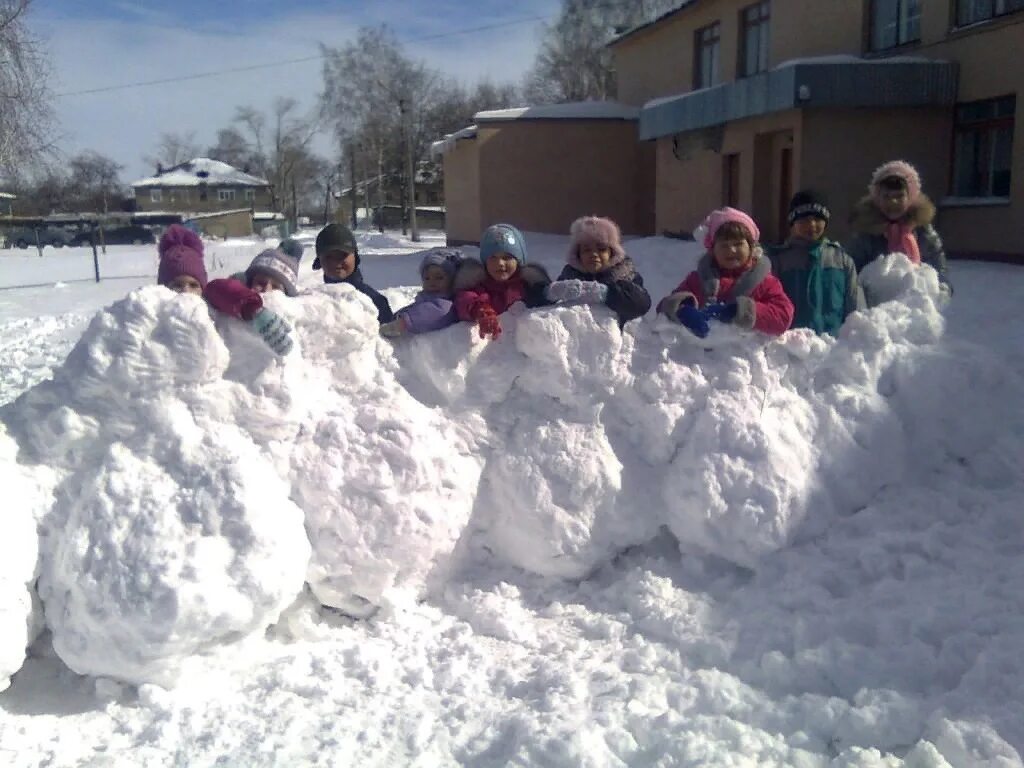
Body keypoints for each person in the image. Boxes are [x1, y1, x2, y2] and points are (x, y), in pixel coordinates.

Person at [657, 207, 794, 338]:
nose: (731, 250)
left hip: (742, 358)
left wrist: (739, 310)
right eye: (724, 245)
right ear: (712, 250)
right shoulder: (698, 280)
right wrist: (683, 309)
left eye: (738, 244)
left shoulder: (765, 282)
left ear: (751, 247)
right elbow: (665, 306)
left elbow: (783, 315)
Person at [157, 224, 292, 355]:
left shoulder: (209, 298)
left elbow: (228, 291)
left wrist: (254, 309)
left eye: (193, 285)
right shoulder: (153, 310)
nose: (186, 291)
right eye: (177, 285)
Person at [846, 160, 952, 304]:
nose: (893, 202)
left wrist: (943, 287)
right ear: (877, 199)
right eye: (887, 197)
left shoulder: (923, 232)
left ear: (910, 198)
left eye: (899, 196)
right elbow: (851, 271)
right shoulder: (866, 233)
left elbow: (938, 263)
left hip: (915, 307)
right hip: (876, 310)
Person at [769, 191, 863, 335]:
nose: (811, 225)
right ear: (793, 223)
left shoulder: (842, 260)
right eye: (804, 220)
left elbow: (855, 307)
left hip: (834, 345)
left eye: (817, 219)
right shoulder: (779, 260)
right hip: (793, 345)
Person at [546, 215, 651, 326]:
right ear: (578, 254)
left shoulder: (625, 275)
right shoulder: (570, 275)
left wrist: (607, 293)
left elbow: (641, 304)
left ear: (612, 252)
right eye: (587, 250)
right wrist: (550, 293)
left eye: (601, 249)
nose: (594, 254)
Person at [453, 223, 551, 341]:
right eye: (493, 257)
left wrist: (552, 292)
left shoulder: (528, 284)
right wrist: (481, 311)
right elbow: (464, 299)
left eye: (507, 257)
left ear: (519, 261)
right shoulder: (480, 285)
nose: (500, 263)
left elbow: (545, 301)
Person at [312, 222, 394, 322]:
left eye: (342, 255)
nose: (335, 262)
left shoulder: (376, 302)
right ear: (319, 261)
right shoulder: (314, 303)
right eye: (328, 257)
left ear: (355, 256)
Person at [379, 247, 464, 337]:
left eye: (439, 277)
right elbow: (415, 309)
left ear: (452, 280)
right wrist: (397, 317)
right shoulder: (427, 297)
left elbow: (430, 313)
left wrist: (404, 322)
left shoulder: (447, 305)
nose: (432, 282)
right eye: (427, 278)